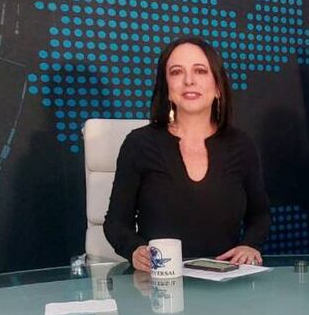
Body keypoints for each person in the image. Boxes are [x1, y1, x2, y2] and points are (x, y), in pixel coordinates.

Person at [104, 37, 270, 271]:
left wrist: (250, 245)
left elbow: (260, 216)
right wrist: (135, 250)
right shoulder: (138, 143)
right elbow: (116, 223)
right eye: (176, 72)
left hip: (225, 286)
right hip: (159, 285)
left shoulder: (241, 144)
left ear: (218, 87)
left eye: (200, 71)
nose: (189, 81)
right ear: (167, 90)